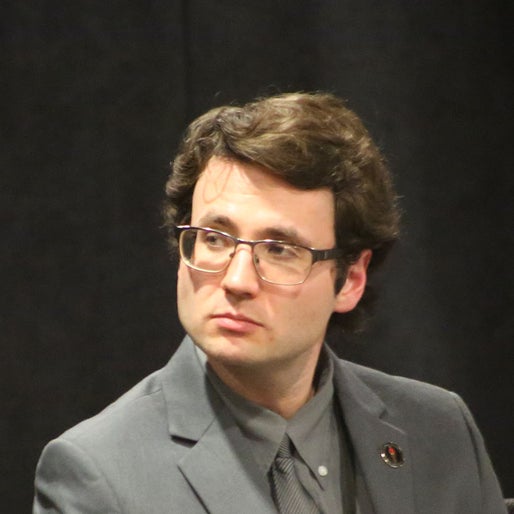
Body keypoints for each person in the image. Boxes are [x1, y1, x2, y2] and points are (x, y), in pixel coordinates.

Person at [33, 92, 507, 513]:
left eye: (279, 249)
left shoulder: (440, 432)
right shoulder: (98, 474)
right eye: (214, 238)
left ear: (350, 279)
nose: (237, 280)